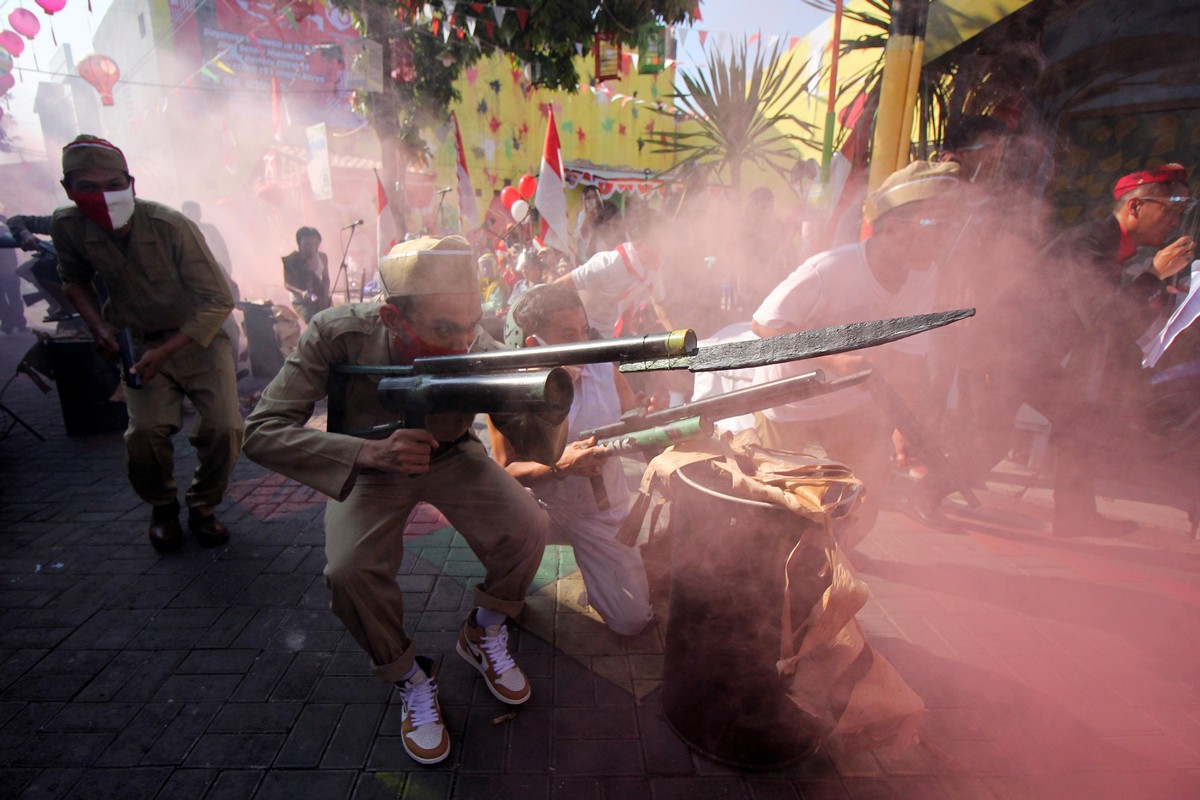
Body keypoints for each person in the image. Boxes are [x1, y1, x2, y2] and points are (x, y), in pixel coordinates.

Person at [242, 235, 565, 766]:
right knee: (349, 571)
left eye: (471, 323)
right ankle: (410, 676)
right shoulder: (336, 333)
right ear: (392, 316)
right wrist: (367, 453)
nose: (464, 342)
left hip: (453, 454)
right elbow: (261, 431)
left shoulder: (476, 348)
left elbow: (535, 445)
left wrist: (549, 399)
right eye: (444, 329)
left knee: (528, 525)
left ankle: (483, 632)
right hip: (369, 465)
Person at [923, 163, 1195, 537]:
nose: (1174, 222)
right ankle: (925, 492)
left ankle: (1074, 516)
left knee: (1079, 422)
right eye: (1169, 210)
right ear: (1135, 208)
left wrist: (1158, 292)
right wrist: (1153, 276)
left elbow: (1109, 317)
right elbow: (1101, 314)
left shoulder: (1111, 247)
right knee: (993, 440)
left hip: (1034, 356)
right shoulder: (1087, 243)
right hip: (1004, 350)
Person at [750, 161, 962, 550]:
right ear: (893, 226)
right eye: (933, 225)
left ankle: (828, 560)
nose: (943, 237)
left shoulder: (924, 276)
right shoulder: (830, 267)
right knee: (769, 502)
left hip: (850, 403)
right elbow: (764, 325)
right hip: (788, 400)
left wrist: (904, 425)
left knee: (864, 497)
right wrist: (832, 359)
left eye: (949, 225)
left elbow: (911, 361)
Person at [50, 134, 242, 551]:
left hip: (199, 340)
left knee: (224, 429)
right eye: (88, 187)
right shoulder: (68, 226)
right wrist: (99, 327)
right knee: (146, 434)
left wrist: (168, 350)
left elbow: (219, 299)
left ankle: (203, 507)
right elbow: (72, 278)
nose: (103, 195)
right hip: (136, 342)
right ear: (68, 190)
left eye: (113, 184)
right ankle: (163, 507)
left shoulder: (171, 226)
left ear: (131, 183)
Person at [488, 284, 653, 636]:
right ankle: (501, 591)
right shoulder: (508, 387)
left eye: (585, 331)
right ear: (534, 344)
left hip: (600, 511)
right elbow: (503, 470)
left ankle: (599, 570)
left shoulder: (605, 368)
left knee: (632, 621)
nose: (583, 343)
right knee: (496, 533)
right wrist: (559, 466)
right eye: (568, 335)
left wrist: (652, 418)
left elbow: (634, 421)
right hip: (536, 508)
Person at [553, 220, 674, 338]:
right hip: (579, 333)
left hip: (606, 335)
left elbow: (660, 303)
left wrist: (677, 338)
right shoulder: (608, 264)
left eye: (663, 247)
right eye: (656, 246)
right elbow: (558, 286)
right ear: (639, 243)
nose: (660, 255)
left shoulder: (652, 268)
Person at [282, 226, 331, 323]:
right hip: (300, 301)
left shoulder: (322, 257)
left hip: (319, 297)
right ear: (300, 245)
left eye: (315, 244)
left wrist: (325, 294)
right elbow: (287, 284)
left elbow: (326, 278)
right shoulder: (292, 260)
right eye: (307, 244)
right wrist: (301, 293)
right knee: (313, 322)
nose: (312, 247)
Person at [574, 185, 622, 262]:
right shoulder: (582, 215)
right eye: (588, 197)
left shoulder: (608, 210)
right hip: (588, 257)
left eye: (594, 197)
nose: (591, 200)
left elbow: (616, 230)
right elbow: (583, 237)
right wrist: (586, 221)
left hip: (607, 252)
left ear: (599, 198)